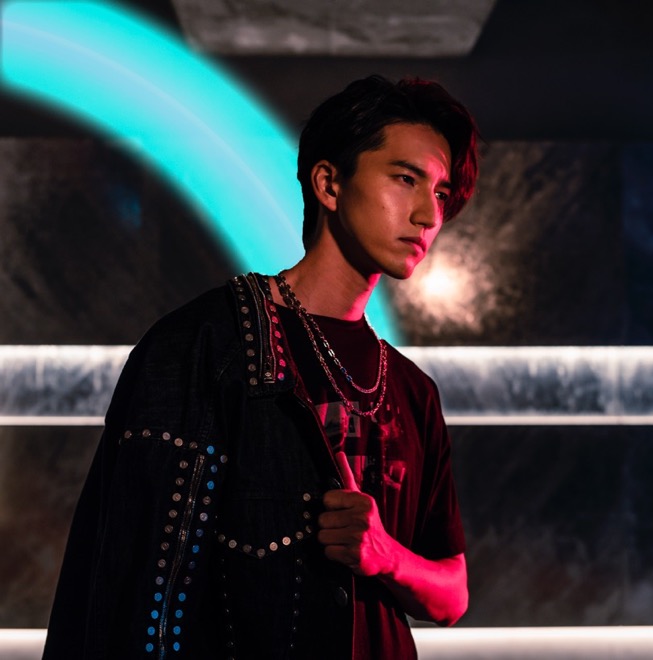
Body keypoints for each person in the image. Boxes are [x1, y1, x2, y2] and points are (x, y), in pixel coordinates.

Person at [43, 74, 479, 659]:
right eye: (406, 179)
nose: (428, 214)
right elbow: (130, 586)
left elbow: (451, 595)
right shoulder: (204, 344)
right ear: (329, 183)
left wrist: (385, 555)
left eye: (442, 193)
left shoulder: (411, 389)